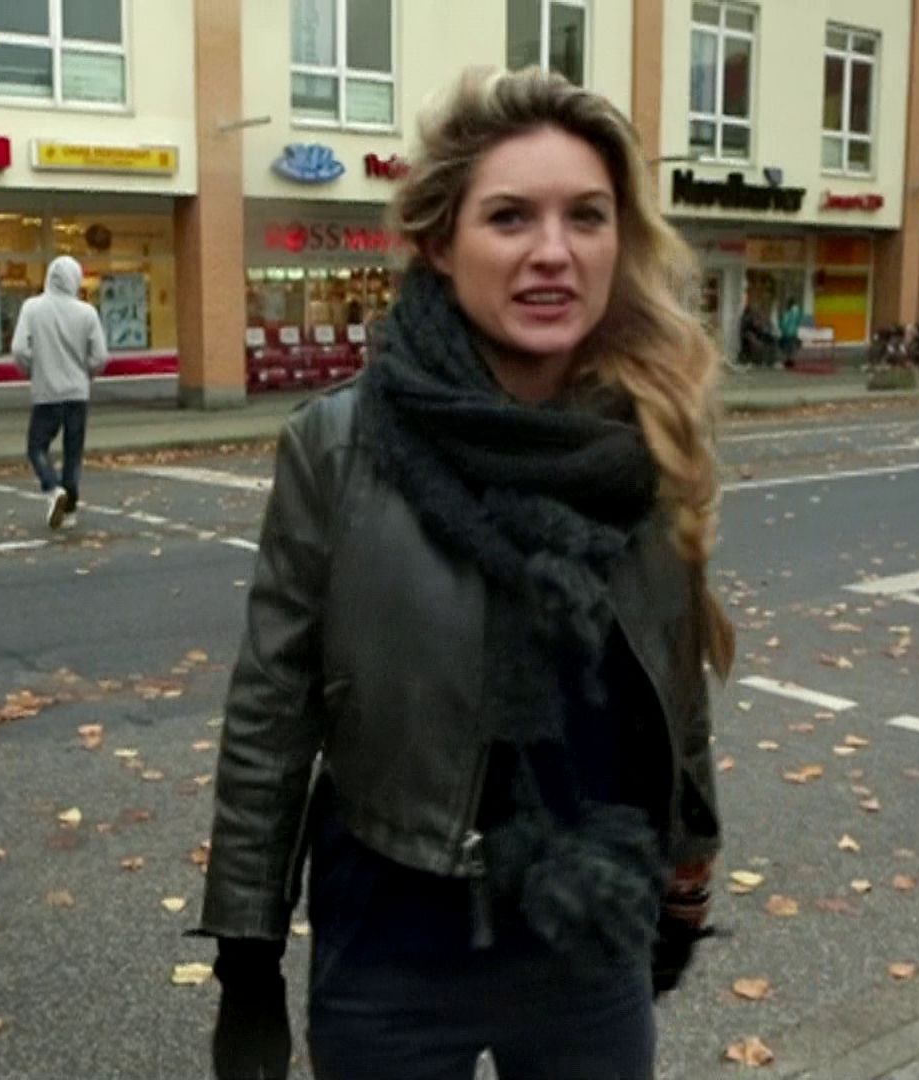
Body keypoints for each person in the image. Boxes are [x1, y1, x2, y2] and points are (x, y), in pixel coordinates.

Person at [197, 66, 736, 1080]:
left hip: (588, 927)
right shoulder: (339, 447)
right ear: (440, 244)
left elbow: (674, 674)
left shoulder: (646, 437)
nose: (553, 252)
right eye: (510, 217)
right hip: (392, 936)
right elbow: (272, 712)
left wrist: (686, 870)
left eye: (587, 217)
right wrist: (246, 953)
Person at [12, 255, 109, 530]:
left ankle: (52, 487)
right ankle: (70, 510)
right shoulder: (86, 313)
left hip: (46, 392)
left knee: (36, 447)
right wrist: (87, 374)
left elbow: (19, 349)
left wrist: (32, 371)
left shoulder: (32, 308)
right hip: (77, 393)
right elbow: (100, 356)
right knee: (73, 454)